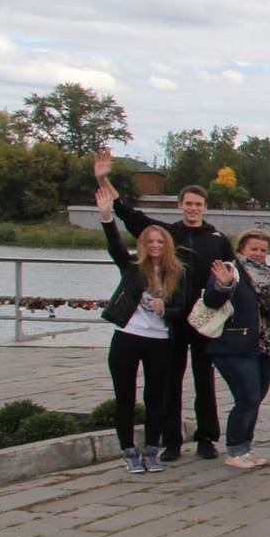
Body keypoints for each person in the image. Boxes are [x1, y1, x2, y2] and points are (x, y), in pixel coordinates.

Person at [95, 148, 232, 460]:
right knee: (170, 381)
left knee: (204, 379)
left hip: (205, 318)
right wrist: (104, 178)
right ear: (180, 205)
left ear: (205, 207)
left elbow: (230, 278)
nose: (193, 209)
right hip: (169, 320)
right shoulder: (168, 234)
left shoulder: (218, 239)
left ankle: (207, 438)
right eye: (188, 204)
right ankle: (171, 441)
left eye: (198, 204)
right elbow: (128, 213)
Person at [96, 184, 184, 473]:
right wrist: (107, 217)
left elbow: (182, 309)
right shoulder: (132, 267)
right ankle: (128, 450)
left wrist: (165, 309)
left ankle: (150, 450)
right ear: (144, 245)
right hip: (127, 338)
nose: (156, 246)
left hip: (159, 341)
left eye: (160, 242)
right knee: (125, 397)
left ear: (167, 244)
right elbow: (115, 246)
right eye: (151, 242)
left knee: (156, 398)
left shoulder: (177, 273)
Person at [199, 232, 270, 470]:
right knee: (247, 397)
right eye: (253, 249)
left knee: (255, 398)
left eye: (263, 250)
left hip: (266, 346)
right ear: (241, 249)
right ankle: (235, 449)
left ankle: (245, 447)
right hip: (235, 346)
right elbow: (210, 300)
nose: (258, 254)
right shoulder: (231, 269)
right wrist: (223, 285)